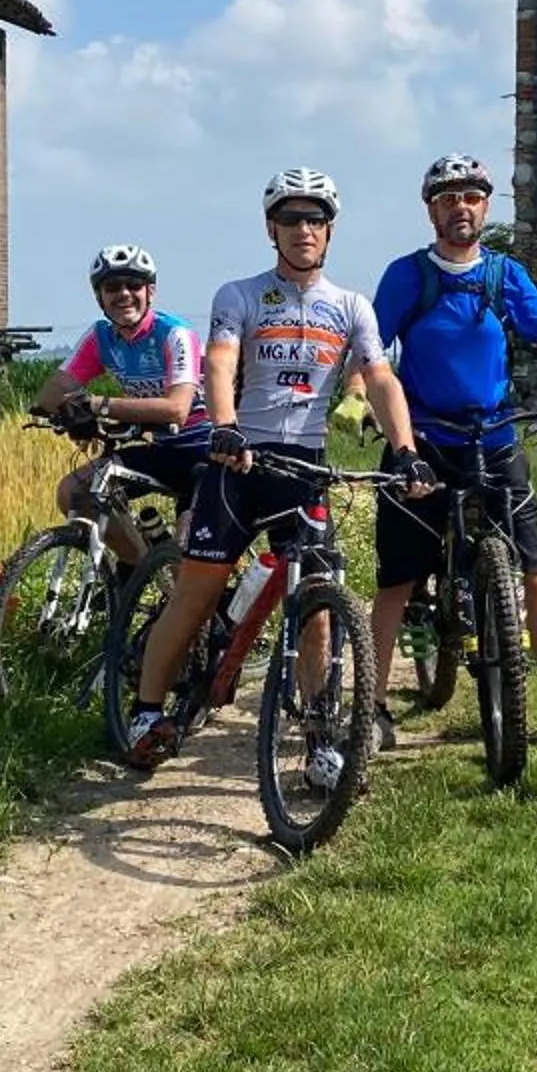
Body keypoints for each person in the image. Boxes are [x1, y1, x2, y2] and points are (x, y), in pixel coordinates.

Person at [123, 168, 431, 775]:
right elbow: (220, 360)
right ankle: (145, 710)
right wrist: (226, 424)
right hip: (239, 461)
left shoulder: (350, 307)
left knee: (316, 610)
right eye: (291, 219)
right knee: (195, 596)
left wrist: (406, 450)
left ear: (330, 230)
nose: (303, 229)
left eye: (315, 219)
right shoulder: (238, 295)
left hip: (305, 469)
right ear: (272, 228)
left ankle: (318, 738)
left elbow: (380, 379)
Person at [359, 154, 537, 752]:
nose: (460, 207)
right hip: (422, 442)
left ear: (485, 206)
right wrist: (355, 397)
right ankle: (370, 710)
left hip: (494, 439)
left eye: (471, 197)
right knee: (397, 581)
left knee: (533, 575)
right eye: (448, 198)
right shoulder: (406, 276)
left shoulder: (504, 274)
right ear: (431, 209)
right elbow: (370, 350)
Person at [27, 244, 208, 565]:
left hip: (206, 452)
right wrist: (68, 414)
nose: (123, 294)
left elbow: (176, 410)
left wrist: (98, 405)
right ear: (99, 298)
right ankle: (140, 572)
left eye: (133, 285)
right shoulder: (101, 338)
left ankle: (188, 598)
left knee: (187, 549)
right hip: (163, 450)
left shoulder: (174, 334)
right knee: (75, 493)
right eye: (112, 287)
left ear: (150, 291)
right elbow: (51, 394)